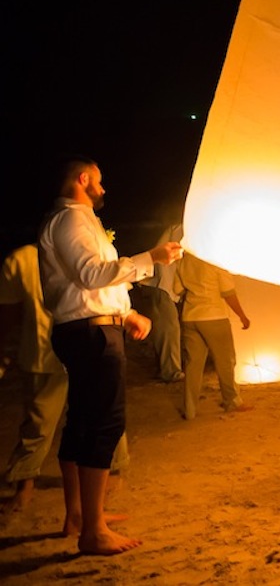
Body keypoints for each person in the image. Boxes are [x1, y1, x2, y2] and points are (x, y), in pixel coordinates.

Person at [38, 156, 182, 554]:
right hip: (90, 334)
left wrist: (128, 311)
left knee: (84, 423)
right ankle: (93, 530)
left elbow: (90, 284)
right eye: (99, 182)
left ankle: (80, 516)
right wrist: (150, 258)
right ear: (84, 179)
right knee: (103, 423)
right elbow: (90, 274)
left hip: (92, 327)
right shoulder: (71, 220)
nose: (104, 189)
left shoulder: (77, 221)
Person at [0, 244, 128, 516]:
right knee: (45, 423)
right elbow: (8, 315)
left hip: (62, 350)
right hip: (56, 352)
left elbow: (8, 317)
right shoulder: (23, 260)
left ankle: (104, 484)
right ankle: (27, 485)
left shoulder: (87, 254)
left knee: (96, 417)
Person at [174, 246, 252, 419]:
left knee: (193, 364)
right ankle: (231, 401)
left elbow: (178, 290)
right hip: (214, 315)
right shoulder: (215, 261)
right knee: (225, 360)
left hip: (190, 316)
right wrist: (242, 316)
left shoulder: (183, 261)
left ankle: (190, 409)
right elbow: (228, 293)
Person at [126, 221, 184, 382]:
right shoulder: (179, 230)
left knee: (166, 330)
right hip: (160, 287)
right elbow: (165, 264)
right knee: (169, 330)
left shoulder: (175, 229)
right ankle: (171, 372)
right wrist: (167, 288)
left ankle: (166, 369)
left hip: (157, 287)